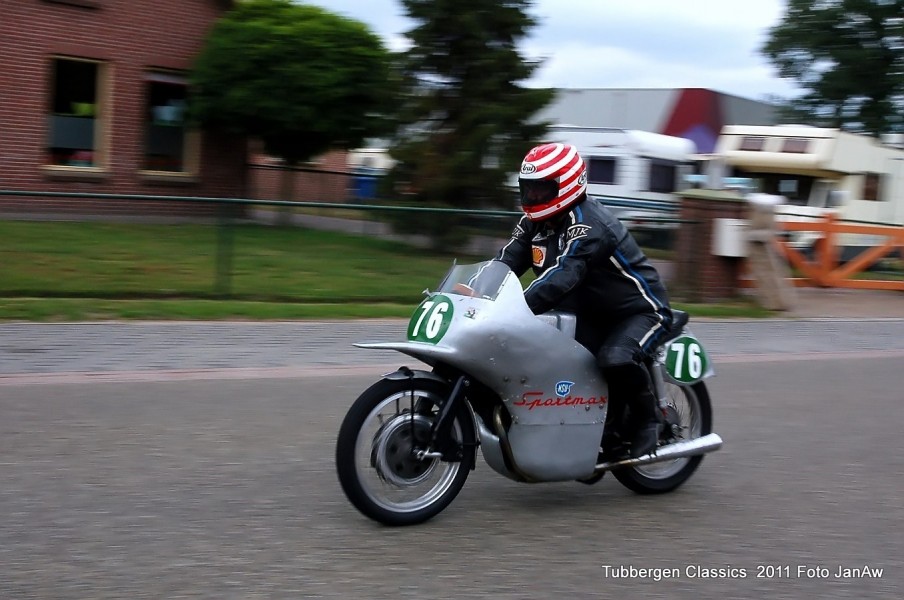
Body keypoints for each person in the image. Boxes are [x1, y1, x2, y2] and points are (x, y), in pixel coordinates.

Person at [495, 142, 674, 458]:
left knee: (615, 358)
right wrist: (473, 291)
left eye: (541, 189)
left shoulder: (589, 224)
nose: (533, 197)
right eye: (529, 189)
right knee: (543, 355)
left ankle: (650, 421)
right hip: (588, 312)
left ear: (567, 184)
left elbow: (564, 275)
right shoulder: (533, 223)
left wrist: (515, 308)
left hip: (639, 310)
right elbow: (505, 263)